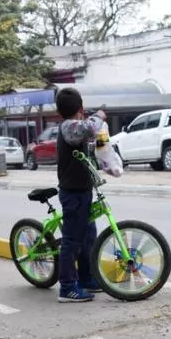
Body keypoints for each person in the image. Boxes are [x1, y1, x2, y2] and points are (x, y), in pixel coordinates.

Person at [55, 87, 105, 303]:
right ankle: (67, 288)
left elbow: (91, 150)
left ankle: (86, 278)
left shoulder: (76, 127)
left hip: (83, 191)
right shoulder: (69, 127)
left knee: (88, 238)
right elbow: (89, 128)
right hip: (72, 194)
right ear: (81, 109)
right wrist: (99, 116)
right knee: (72, 241)